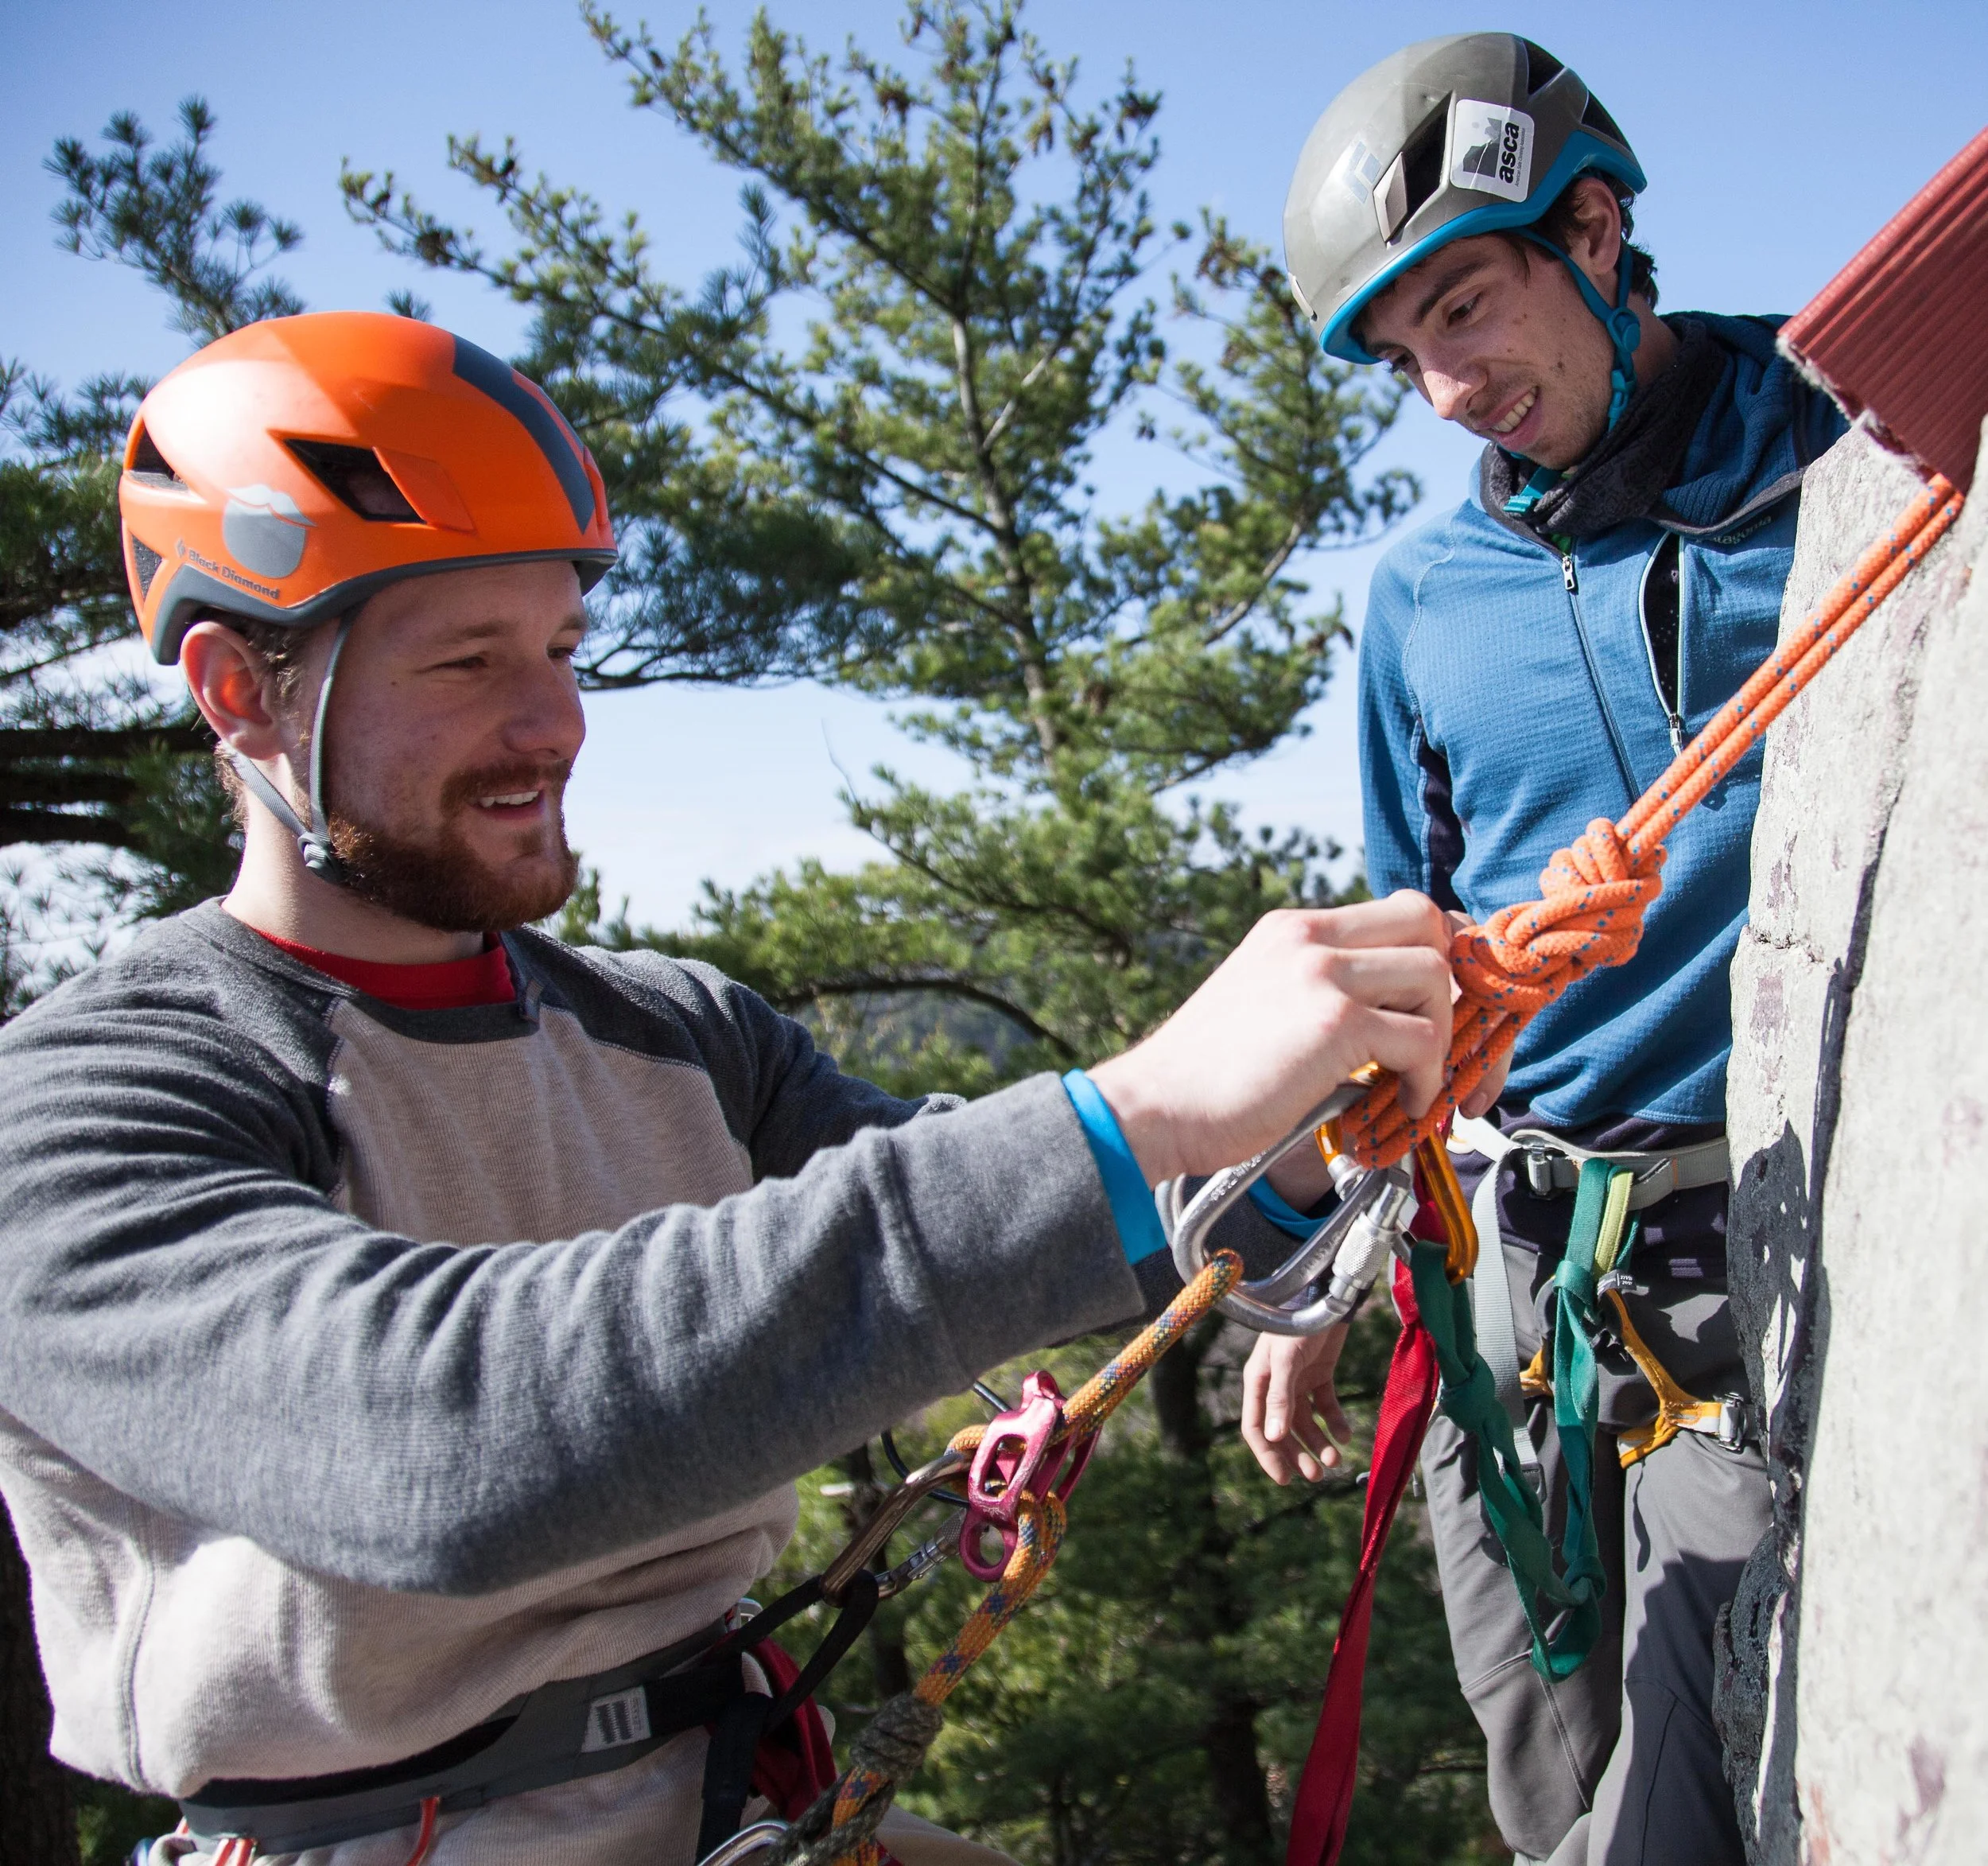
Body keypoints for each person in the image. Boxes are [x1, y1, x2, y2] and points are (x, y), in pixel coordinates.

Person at [0, 310, 1460, 1866]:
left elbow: (1060, 1229)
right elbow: (438, 1447)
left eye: (559, 649)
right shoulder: (98, 1104)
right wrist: (1131, 1111)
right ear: (240, 694)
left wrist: (1293, 1147)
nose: (552, 721)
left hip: (737, 1794)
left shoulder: (677, 1030)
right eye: (466, 660)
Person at [1241, 34, 1846, 1866]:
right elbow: (1396, 965)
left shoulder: (1846, 473)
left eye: (1466, 307)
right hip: (1499, 1281)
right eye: (1401, 352)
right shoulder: (1423, 600)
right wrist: (1319, 1282)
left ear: (1595, 230)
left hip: (1743, 1248)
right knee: (1542, 1786)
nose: (1444, 386)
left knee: (1679, 1810)